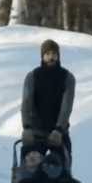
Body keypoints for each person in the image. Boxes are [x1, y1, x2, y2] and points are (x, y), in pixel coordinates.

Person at [21, 39, 76, 171]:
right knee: (27, 171)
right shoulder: (32, 77)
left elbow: (66, 107)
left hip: (59, 134)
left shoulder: (67, 78)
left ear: (58, 55)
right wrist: (27, 127)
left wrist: (58, 130)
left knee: (61, 172)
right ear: (42, 56)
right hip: (36, 134)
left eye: (54, 54)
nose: (51, 57)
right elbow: (26, 103)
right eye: (48, 54)